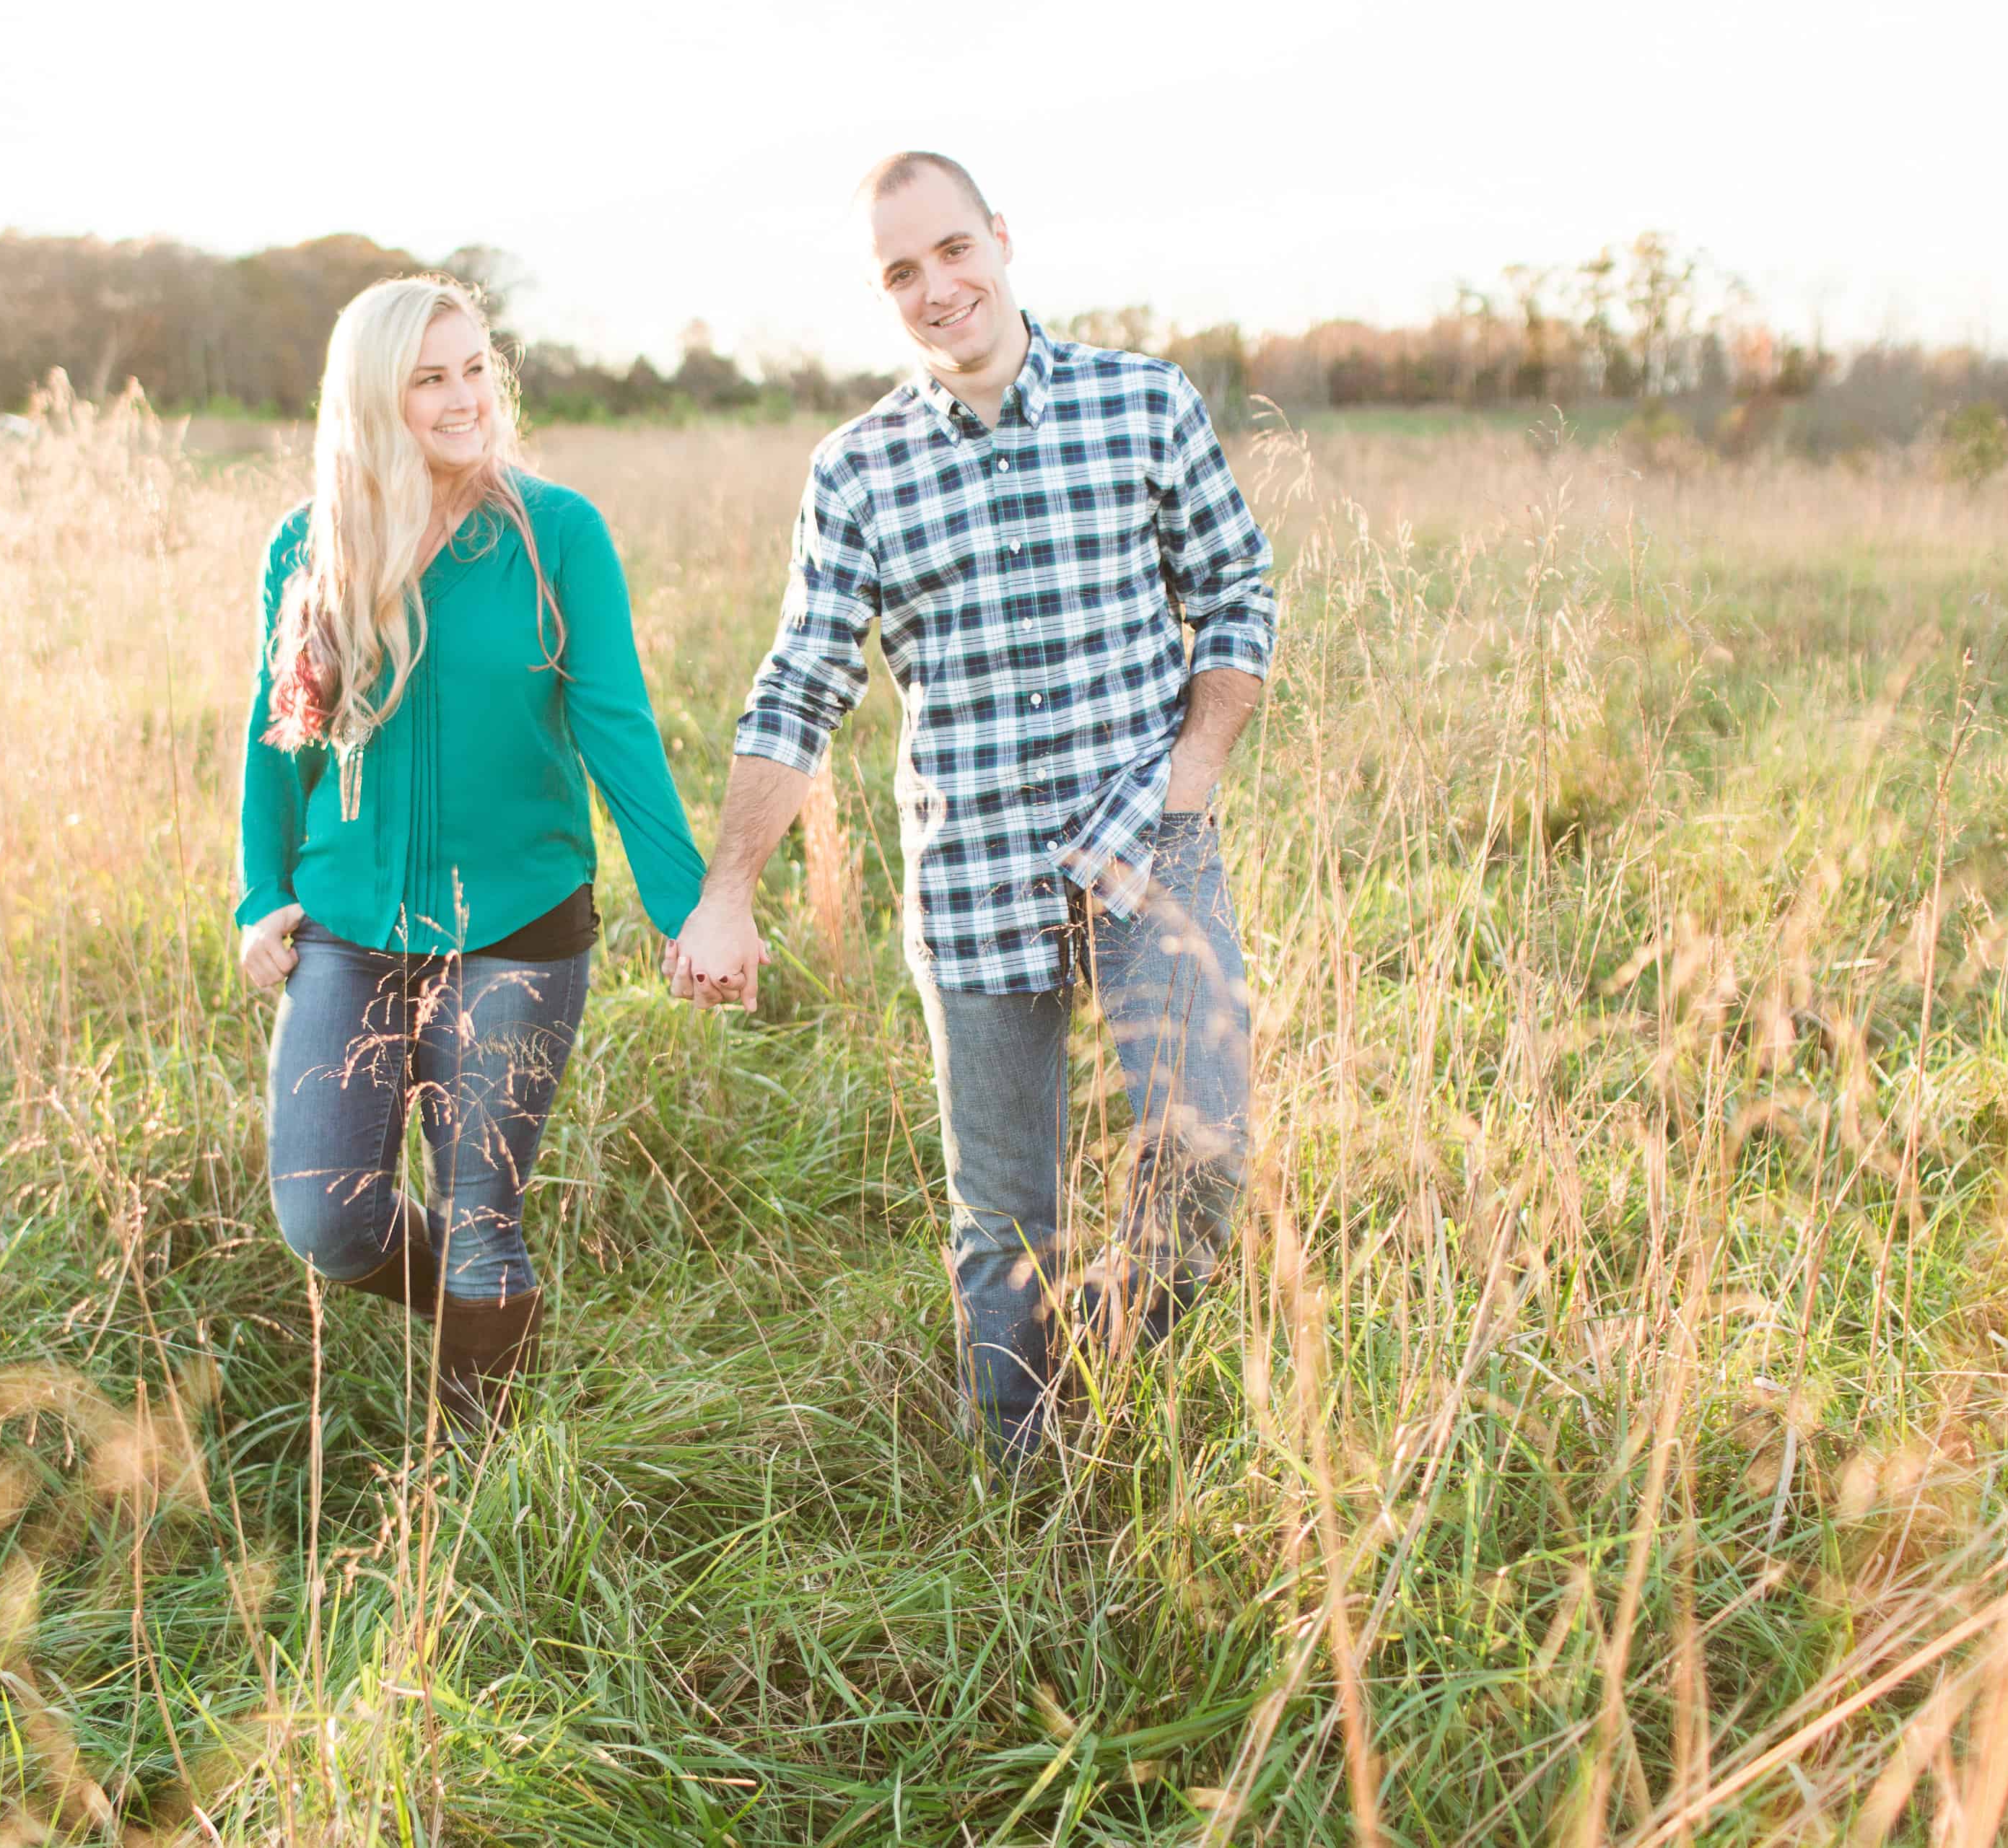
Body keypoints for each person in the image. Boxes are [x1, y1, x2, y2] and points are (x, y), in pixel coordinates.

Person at [668, 153, 1276, 1455]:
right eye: (902, 272)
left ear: (1001, 238)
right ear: (882, 295)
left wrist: (1197, 770)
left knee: (1209, 1146)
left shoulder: (1143, 402)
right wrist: (727, 892)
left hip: (1145, 844)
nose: (938, 289)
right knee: (1005, 1221)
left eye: (953, 251)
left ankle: (1123, 1382)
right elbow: (801, 687)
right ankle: (1026, 1494)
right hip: (976, 880)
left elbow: (1237, 589)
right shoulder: (858, 469)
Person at [236, 273, 704, 1427]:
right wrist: (261, 890)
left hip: (520, 926)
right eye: (426, 381)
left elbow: (618, 726)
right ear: (368, 401)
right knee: (327, 1216)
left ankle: (476, 1502)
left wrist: (692, 906)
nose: (460, 401)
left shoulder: (557, 535)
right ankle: (488, 1291)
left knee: (485, 1214)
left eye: (473, 371)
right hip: (348, 925)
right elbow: (276, 738)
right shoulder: (311, 547)